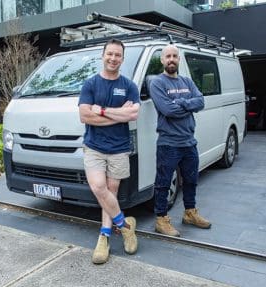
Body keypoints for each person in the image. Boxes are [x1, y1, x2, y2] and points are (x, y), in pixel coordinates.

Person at [79, 39, 140, 264]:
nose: (113, 58)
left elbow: (132, 115)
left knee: (111, 194)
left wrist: (102, 111)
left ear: (122, 59)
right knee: (98, 187)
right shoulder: (90, 84)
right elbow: (85, 116)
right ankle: (125, 226)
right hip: (94, 147)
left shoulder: (129, 86)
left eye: (118, 55)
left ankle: (104, 236)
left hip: (119, 148)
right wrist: (117, 114)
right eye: (110, 54)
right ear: (102, 55)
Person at [150, 44, 211, 237]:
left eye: (174, 56)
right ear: (162, 60)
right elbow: (167, 110)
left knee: (192, 180)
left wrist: (181, 103)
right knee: (163, 182)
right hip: (168, 143)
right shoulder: (157, 83)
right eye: (167, 56)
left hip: (189, 141)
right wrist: (188, 105)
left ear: (178, 59)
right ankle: (161, 219)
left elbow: (201, 101)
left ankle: (190, 213)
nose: (171, 59)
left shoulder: (187, 81)